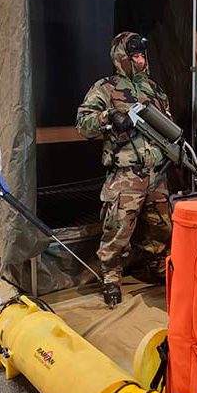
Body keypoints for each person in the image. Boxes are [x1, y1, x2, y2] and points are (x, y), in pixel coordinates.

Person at [77, 31, 171, 306]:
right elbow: (83, 124)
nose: (140, 60)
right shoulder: (105, 88)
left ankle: (157, 267)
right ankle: (110, 277)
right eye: (134, 56)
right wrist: (109, 116)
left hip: (157, 172)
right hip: (126, 173)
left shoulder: (154, 89)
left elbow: (167, 123)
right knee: (118, 228)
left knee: (163, 226)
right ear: (122, 58)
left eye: (142, 55)